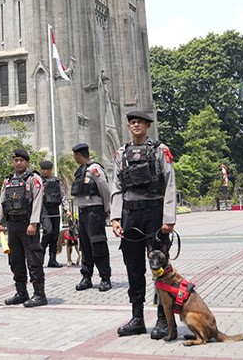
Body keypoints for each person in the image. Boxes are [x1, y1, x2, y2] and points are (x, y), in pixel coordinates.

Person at [110, 110, 177, 339]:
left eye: (140, 122)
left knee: (159, 267)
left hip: (154, 214)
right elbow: (117, 187)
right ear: (128, 127)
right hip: (131, 215)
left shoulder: (159, 150)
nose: (136, 125)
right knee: (133, 267)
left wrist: (168, 218)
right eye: (132, 122)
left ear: (148, 125)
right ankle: (137, 318)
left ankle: (163, 318)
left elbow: (169, 183)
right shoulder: (122, 153)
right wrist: (115, 218)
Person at [0, 149, 47, 307]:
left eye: (21, 160)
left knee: (33, 260)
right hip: (12, 224)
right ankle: (21, 293)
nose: (18, 163)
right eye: (15, 160)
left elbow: (37, 201)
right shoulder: (8, 180)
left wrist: (33, 223)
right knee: (15, 260)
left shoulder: (34, 179)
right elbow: (2, 201)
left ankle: (39, 295)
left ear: (27, 162)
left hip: (28, 224)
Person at [70, 143, 112, 291]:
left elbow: (105, 190)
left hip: (94, 211)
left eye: (75, 155)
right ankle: (86, 276)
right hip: (83, 212)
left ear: (78, 155)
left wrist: (106, 209)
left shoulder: (95, 169)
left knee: (98, 244)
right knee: (85, 246)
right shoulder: (81, 170)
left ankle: (105, 278)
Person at [38, 160, 72, 268]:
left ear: (50, 170)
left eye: (45, 169)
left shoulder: (57, 181)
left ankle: (52, 259)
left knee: (55, 235)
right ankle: (40, 257)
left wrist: (67, 209)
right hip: (44, 209)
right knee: (48, 231)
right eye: (42, 169)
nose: (43, 171)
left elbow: (62, 196)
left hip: (55, 209)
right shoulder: (39, 181)